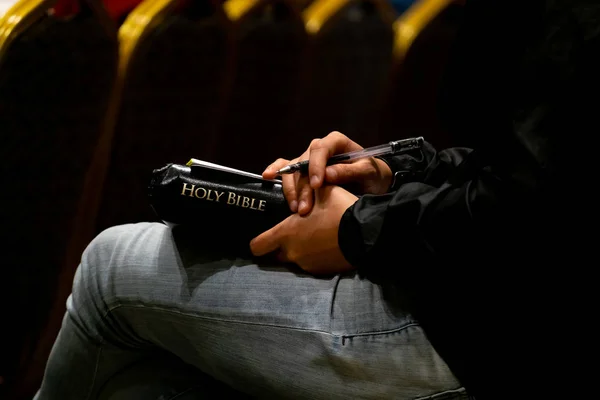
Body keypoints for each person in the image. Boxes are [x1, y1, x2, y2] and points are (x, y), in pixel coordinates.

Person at [35, 0, 595, 398]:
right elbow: (524, 160)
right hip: (499, 303)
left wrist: (357, 229)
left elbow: (534, 213)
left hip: (497, 342)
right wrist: (390, 174)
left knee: (111, 265)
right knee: (141, 387)